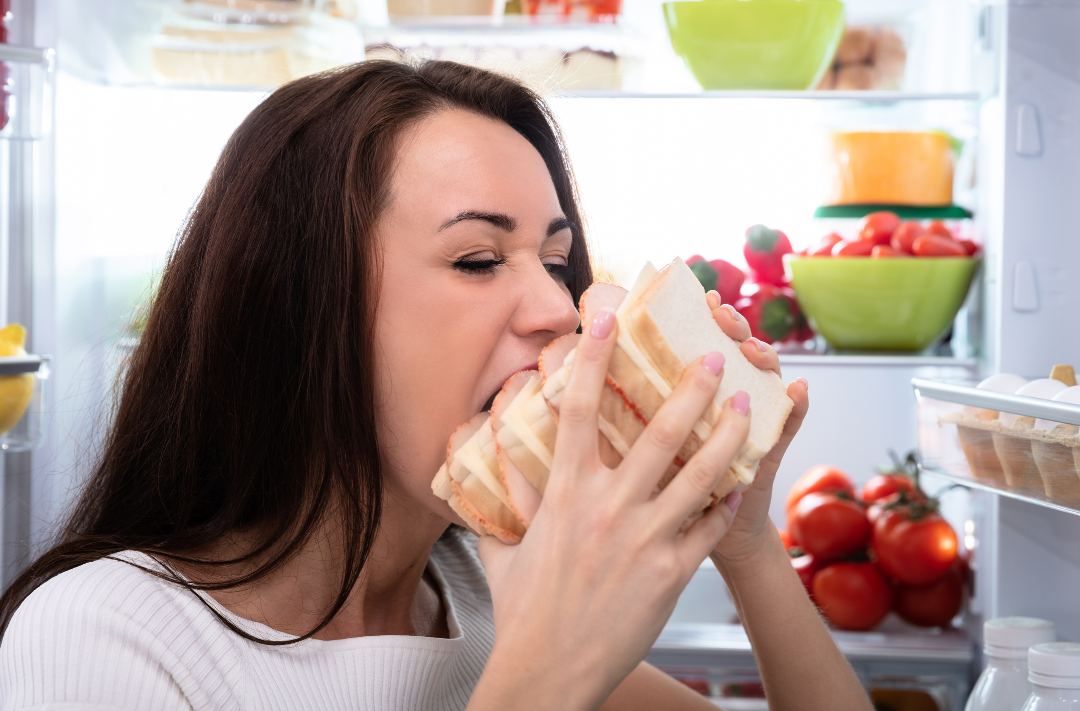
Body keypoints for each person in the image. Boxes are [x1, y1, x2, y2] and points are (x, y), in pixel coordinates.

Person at [0, 60, 871, 710]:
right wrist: (547, 669)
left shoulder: (475, 594)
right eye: (479, 259)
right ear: (303, 309)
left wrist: (745, 537)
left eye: (559, 262)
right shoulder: (103, 630)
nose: (559, 311)